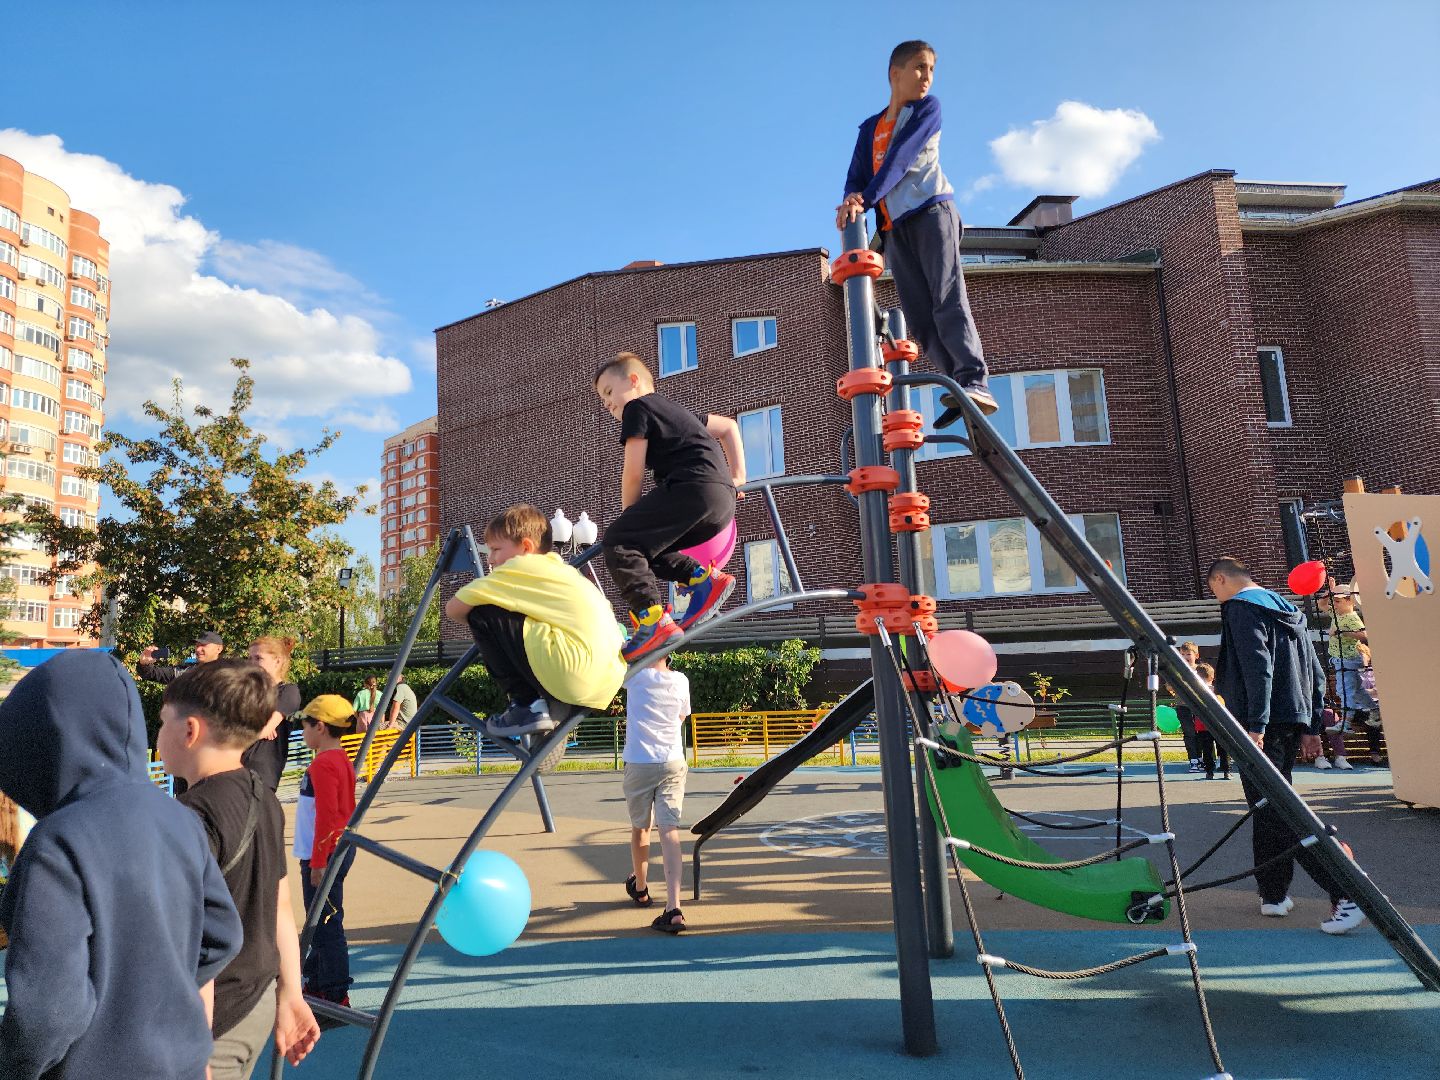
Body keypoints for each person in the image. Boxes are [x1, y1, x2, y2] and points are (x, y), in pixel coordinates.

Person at [0, 651, 242, 1079]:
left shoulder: (58, 841)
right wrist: (153, 994)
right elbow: (224, 935)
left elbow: (48, 1011)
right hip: (177, 1064)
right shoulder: (180, 818)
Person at [158, 660, 320, 1079]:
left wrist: (194, 1047)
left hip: (214, 1019)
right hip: (258, 998)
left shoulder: (187, 817)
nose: (157, 735)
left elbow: (194, 944)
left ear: (190, 731)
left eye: (161, 723)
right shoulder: (263, 797)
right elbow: (280, 905)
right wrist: (290, 992)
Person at [835, 40, 997, 427]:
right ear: (896, 73)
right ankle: (961, 388)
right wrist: (850, 201)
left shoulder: (927, 109)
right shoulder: (870, 128)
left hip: (930, 211)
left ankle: (976, 379)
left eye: (931, 70)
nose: (927, 77)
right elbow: (857, 176)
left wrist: (867, 199)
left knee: (945, 296)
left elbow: (901, 158)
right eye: (919, 68)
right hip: (895, 228)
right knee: (920, 316)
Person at [1206, 556, 1365, 934]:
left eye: (1214, 589)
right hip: (1291, 716)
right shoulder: (1288, 609)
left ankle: (1345, 890)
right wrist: (1312, 723)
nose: (1216, 598)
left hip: (1260, 722)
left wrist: (1256, 724)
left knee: (1280, 813)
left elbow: (1256, 666)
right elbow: (1312, 667)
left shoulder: (1240, 609)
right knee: (1268, 808)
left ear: (1222, 580)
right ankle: (1274, 893)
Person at [594, 352, 745, 660]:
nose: (607, 404)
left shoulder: (637, 408)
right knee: (648, 548)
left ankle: (652, 621)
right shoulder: (680, 413)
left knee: (620, 543)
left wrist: (628, 522)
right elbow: (729, 426)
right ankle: (704, 580)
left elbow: (633, 472)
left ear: (634, 382)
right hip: (719, 502)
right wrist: (737, 477)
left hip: (692, 489)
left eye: (609, 392)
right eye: (602, 400)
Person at [444, 505, 627, 739]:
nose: (490, 559)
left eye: (496, 549)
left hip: (570, 669)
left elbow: (453, 610)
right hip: (607, 679)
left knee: (482, 612)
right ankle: (550, 701)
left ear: (526, 547)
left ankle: (526, 704)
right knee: (529, 620)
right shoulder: (568, 573)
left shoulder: (516, 569)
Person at [293, 694, 359, 1012]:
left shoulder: (323, 763)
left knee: (326, 923)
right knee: (320, 920)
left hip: (325, 854)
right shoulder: (339, 759)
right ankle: (319, 983)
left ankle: (334, 994)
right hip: (334, 849)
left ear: (319, 727)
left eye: (304, 726)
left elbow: (327, 816)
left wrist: (318, 863)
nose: (302, 732)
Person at [621, 655, 691, 933]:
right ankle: (673, 908)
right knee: (669, 831)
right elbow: (682, 716)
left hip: (639, 762)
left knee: (641, 828)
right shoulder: (681, 680)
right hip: (672, 760)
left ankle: (641, 889)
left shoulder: (633, 676)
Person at [244, 636, 305, 792]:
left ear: (277, 661)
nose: (252, 663)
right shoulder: (247, 692)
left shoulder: (288, 691)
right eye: (249, 658)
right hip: (236, 767)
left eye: (258, 658)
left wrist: (257, 723)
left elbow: (264, 728)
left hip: (262, 772)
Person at [1168, 640, 1204, 773]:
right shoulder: (1176, 670)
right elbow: (1170, 686)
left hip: (1200, 707)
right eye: (1182, 654)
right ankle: (1193, 760)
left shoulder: (1201, 670)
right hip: (1183, 706)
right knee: (1189, 733)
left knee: (1201, 734)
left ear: (1196, 655)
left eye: (1188, 654)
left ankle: (1202, 759)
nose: (1185, 657)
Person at [138, 629, 225, 684]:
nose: (198, 649)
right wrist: (144, 664)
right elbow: (154, 674)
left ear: (219, 649)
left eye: (203, 645)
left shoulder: (229, 675)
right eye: (197, 645)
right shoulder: (185, 672)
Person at [1191, 661, 1230, 781]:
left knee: (1208, 749)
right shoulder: (1217, 691)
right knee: (1222, 748)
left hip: (1204, 725)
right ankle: (1225, 771)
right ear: (1212, 677)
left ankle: (1210, 771)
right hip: (1216, 724)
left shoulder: (1197, 692)